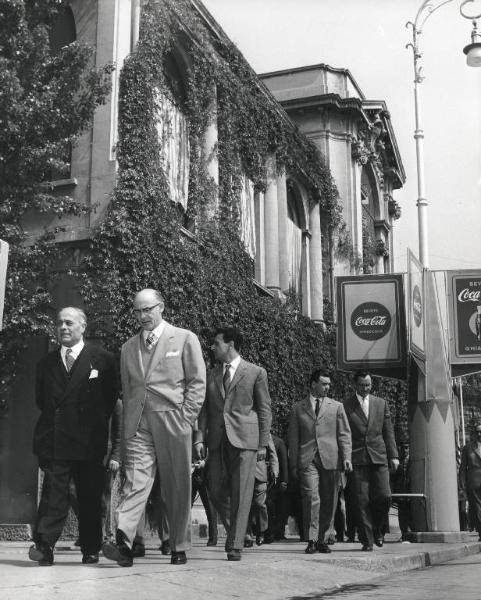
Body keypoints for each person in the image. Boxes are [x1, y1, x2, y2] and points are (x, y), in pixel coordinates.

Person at [103, 288, 206, 566]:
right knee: (135, 481)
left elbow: (197, 382)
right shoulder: (127, 348)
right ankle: (123, 541)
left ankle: (178, 545)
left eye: (147, 309)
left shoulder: (185, 338)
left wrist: (186, 418)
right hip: (138, 423)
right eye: (137, 311)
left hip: (173, 419)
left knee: (176, 484)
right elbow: (128, 390)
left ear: (161, 307)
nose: (142, 315)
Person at [29, 307, 119, 566]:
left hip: (89, 440)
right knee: (53, 496)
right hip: (56, 439)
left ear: (83, 327)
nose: (63, 327)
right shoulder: (45, 363)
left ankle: (91, 548)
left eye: (69, 323)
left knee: (89, 496)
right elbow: (41, 400)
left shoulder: (102, 359)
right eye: (59, 323)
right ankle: (44, 546)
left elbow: (110, 397)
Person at [195, 326, 272, 562]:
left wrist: (261, 445)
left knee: (242, 493)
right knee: (215, 491)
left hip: (245, 440)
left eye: (216, 343)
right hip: (217, 441)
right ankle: (239, 532)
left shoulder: (256, 372)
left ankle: (235, 544)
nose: (212, 347)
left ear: (230, 345)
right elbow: (204, 410)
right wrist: (199, 438)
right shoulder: (212, 374)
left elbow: (264, 410)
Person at [288, 369, 352, 554]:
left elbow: (344, 434)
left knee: (329, 500)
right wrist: (294, 464)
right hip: (307, 459)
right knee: (311, 497)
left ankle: (324, 537)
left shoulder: (337, 407)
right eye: (324, 384)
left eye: (329, 384)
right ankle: (312, 539)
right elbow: (293, 438)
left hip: (331, 459)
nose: (327, 387)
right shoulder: (297, 408)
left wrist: (347, 458)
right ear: (313, 384)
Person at [343, 370, 399, 551]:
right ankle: (367, 540)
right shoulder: (345, 405)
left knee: (384, 495)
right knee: (361, 500)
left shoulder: (381, 404)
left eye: (368, 385)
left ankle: (377, 528)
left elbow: (388, 431)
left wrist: (394, 456)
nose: (365, 388)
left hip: (379, 456)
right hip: (357, 457)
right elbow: (343, 433)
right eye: (361, 385)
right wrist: (345, 457)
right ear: (355, 385)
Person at [244, 433, 278, 547]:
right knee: (245, 505)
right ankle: (247, 535)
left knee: (260, 504)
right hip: (244, 470)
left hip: (260, 470)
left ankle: (260, 531)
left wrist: (274, 469)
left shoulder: (264, 430)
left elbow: (272, 452)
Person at [264, 433, 289, 543]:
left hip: (276, 480)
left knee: (277, 507)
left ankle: (277, 532)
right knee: (267, 505)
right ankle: (268, 532)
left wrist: (285, 480)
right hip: (263, 477)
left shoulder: (279, 442)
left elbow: (284, 463)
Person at [459, 423, 481, 541]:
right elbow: (463, 468)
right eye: (477, 431)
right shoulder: (467, 448)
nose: (479, 434)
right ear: (474, 433)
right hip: (474, 482)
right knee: (477, 508)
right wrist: (462, 486)